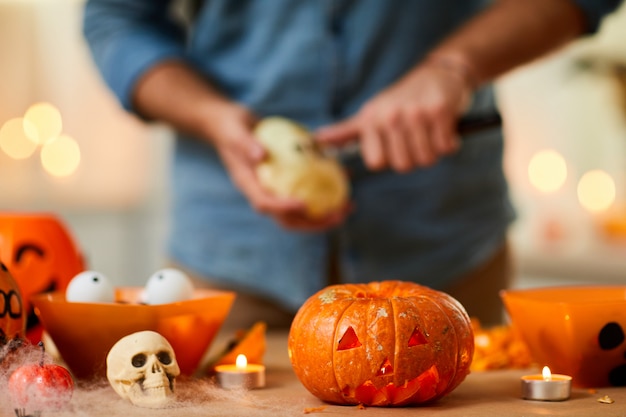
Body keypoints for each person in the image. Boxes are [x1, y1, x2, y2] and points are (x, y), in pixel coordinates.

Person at [82, 0, 621, 328]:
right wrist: (210, 115)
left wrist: (455, 67)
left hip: (445, 251)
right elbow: (115, 16)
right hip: (228, 261)